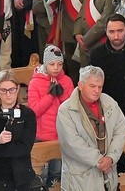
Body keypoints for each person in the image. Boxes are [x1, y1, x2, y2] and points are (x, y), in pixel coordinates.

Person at [56, 65, 125, 191]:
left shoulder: (109, 103)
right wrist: (99, 161)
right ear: (81, 85)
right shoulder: (66, 110)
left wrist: (111, 157)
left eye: (100, 87)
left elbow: (121, 130)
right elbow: (71, 143)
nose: (97, 91)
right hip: (80, 180)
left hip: (108, 177)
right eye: (92, 86)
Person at [0, 69, 37, 190]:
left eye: (11, 90)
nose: (8, 94)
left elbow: (25, 149)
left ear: (18, 88)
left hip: (21, 176)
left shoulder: (27, 114)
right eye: (3, 90)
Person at [27, 45, 74, 187]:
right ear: (45, 64)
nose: (56, 68)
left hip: (60, 136)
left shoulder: (67, 81)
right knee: (40, 174)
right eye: (52, 64)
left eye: (59, 64)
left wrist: (60, 96)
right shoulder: (35, 82)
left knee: (56, 174)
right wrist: (50, 96)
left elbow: (71, 110)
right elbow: (34, 111)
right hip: (41, 137)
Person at [89, 14, 125, 129]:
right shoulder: (97, 55)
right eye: (111, 32)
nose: (116, 36)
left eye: (120, 31)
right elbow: (93, 85)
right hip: (103, 113)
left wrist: (122, 109)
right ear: (106, 32)